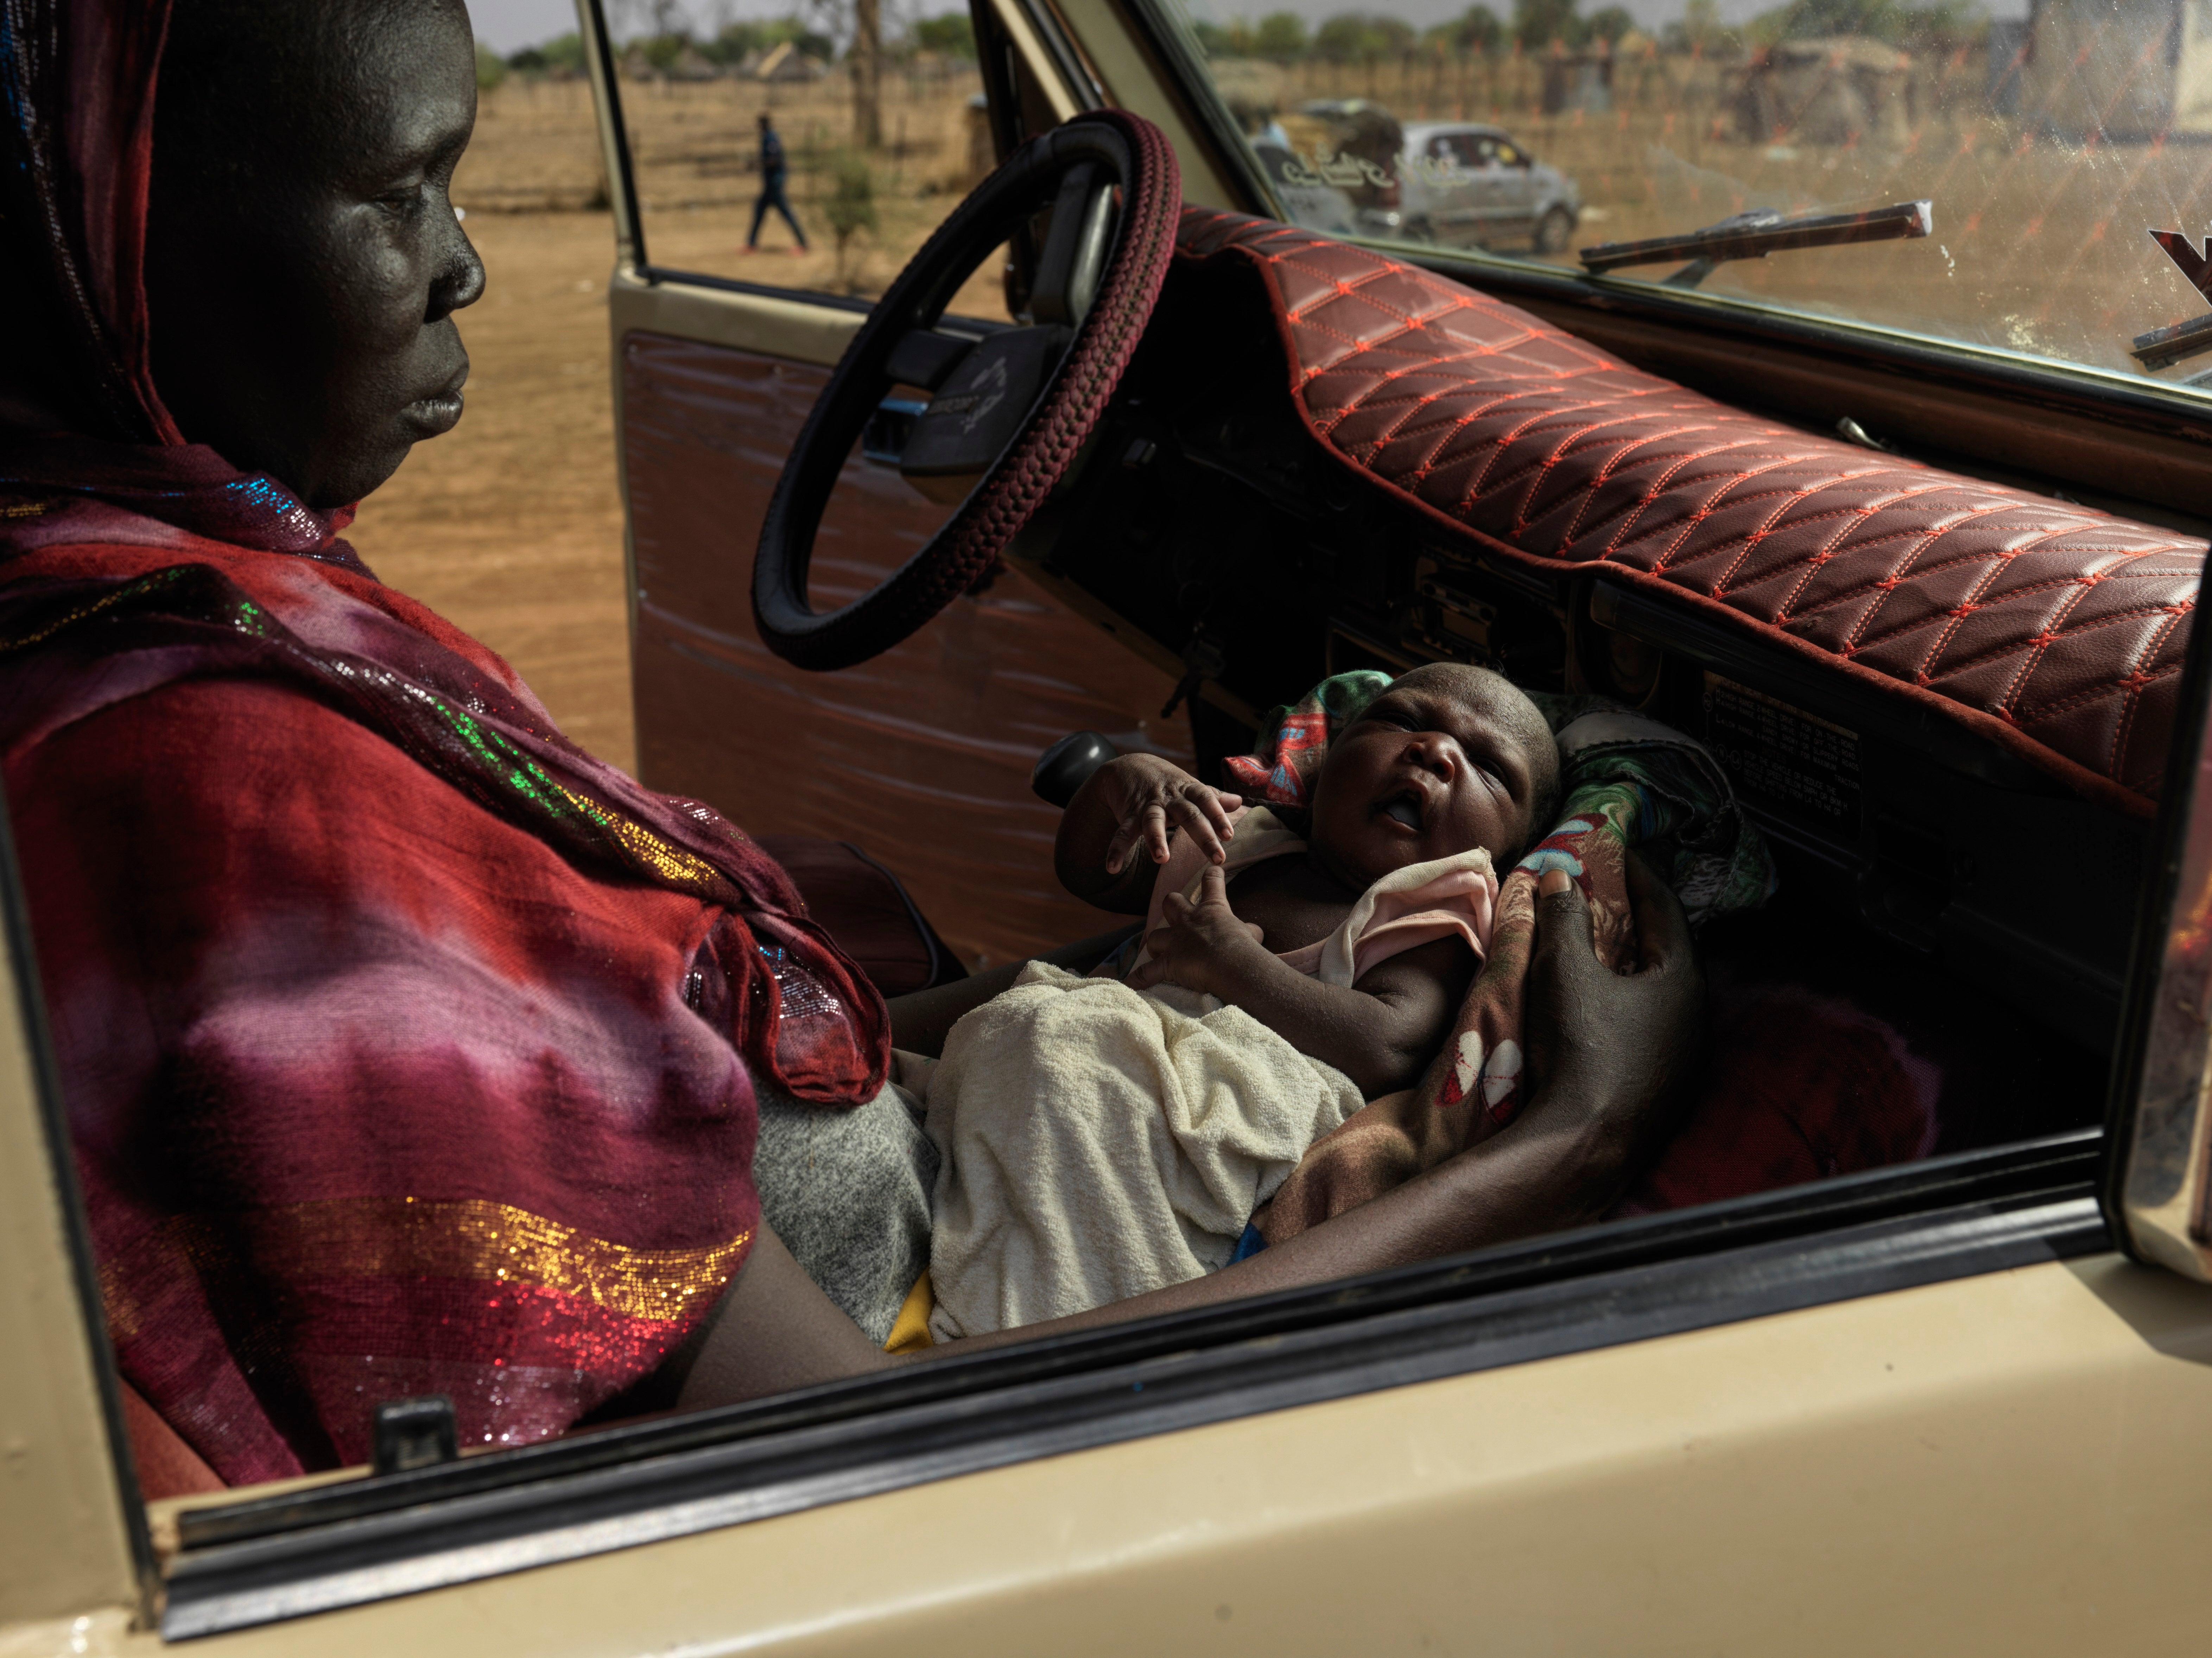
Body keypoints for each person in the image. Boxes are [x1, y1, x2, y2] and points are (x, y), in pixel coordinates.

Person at [0, 0, 1701, 1490]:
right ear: (112, 221)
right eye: (397, 191)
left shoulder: (138, 600)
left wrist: (1117, 973)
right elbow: (904, 1450)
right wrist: (1572, 1141)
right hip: (923, 1324)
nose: (464, 263)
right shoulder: (241, 803)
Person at [920, 663, 1559, 1336]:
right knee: (1030, 1033)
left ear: (1504, 851)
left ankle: (1025, 1310)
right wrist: (1119, 786)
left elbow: (1388, 1044)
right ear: (1324, 764)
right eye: (1400, 721)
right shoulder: (1238, 837)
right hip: (1100, 1067)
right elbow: (1092, 872)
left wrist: (1232, 965)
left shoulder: (1428, 908)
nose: (1435, 750)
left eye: (1489, 766)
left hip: (1225, 1118)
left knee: (1063, 1050)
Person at [743, 111, 809, 254]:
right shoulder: (767, 138)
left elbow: (774, 160)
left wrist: (757, 164)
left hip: (775, 184)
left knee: (785, 212)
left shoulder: (771, 138)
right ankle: (751, 244)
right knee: (760, 211)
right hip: (770, 184)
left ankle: (803, 244)